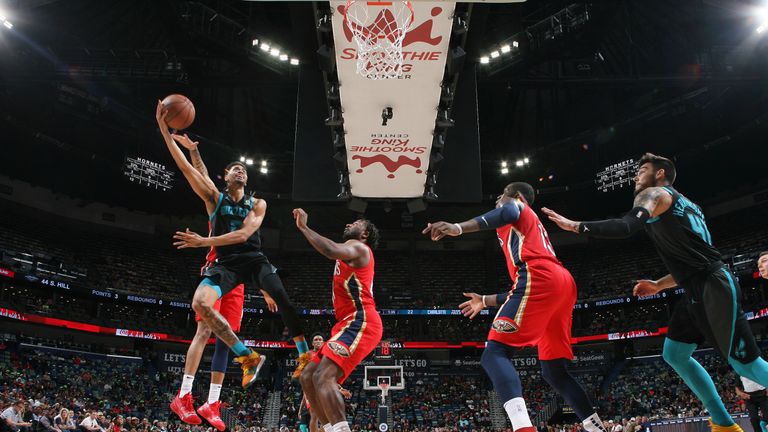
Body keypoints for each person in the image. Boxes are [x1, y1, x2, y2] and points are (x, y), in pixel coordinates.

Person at [543, 152, 768, 432]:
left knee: (747, 365)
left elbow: (627, 226)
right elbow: (695, 260)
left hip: (714, 286)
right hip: (696, 285)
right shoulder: (688, 205)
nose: (637, 176)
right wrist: (659, 285)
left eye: (643, 170)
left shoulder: (654, 194)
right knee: (674, 354)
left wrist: (575, 226)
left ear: (660, 173)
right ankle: (724, 425)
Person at [155, 103, 311, 422]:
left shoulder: (256, 205)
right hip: (219, 266)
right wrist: (165, 132)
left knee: (226, 337)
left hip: (241, 273)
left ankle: (213, 402)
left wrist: (266, 290)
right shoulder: (216, 197)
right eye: (233, 167)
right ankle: (185, 394)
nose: (240, 169)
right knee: (204, 326)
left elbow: (246, 240)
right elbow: (190, 170)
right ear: (224, 177)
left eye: (244, 168)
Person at [423, 182, 607, 432]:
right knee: (554, 371)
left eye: (501, 196)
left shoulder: (516, 207)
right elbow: (520, 293)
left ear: (517, 197)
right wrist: (485, 300)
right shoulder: (527, 230)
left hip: (539, 275)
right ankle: (595, 426)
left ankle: (523, 428)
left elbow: (508, 212)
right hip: (561, 283)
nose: (498, 200)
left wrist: (458, 227)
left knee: (494, 353)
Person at [293, 209, 383, 432]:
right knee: (308, 376)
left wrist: (304, 227)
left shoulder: (360, 248)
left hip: (361, 320)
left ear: (364, 235)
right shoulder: (349, 253)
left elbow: (330, 249)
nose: (348, 224)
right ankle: (331, 429)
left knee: (324, 376)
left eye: (356, 223)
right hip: (345, 323)